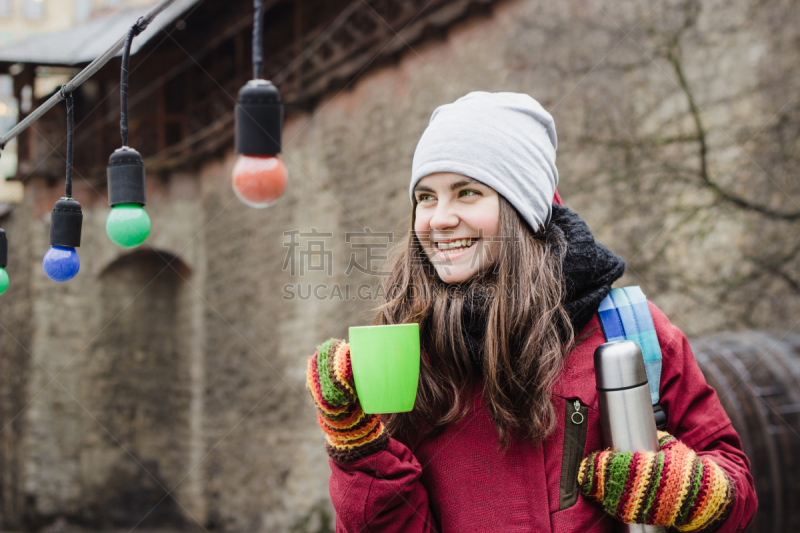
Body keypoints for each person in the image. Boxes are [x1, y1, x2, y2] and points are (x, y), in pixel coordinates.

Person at [305, 92, 758, 532]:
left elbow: (737, 487)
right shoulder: (408, 353)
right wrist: (358, 444)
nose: (438, 218)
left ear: (523, 209)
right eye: (425, 196)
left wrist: (693, 493)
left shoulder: (628, 328)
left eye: (466, 192)